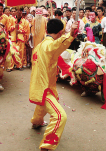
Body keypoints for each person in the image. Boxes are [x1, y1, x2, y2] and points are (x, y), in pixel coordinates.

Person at [29, 19, 78, 151]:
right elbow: (59, 45)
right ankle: (47, 147)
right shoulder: (49, 46)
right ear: (61, 32)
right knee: (60, 116)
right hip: (44, 87)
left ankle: (36, 122)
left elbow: (57, 45)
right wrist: (71, 35)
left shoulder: (40, 45)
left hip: (41, 85)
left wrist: (70, 35)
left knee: (44, 103)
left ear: (46, 30)